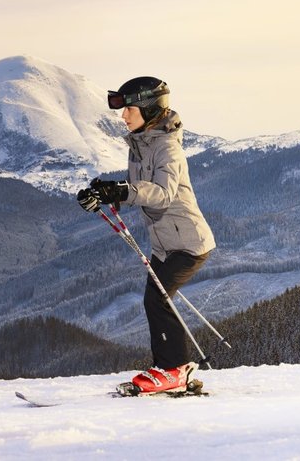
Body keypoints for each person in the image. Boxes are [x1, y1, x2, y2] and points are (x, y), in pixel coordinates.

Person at [77, 76, 216, 394]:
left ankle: (173, 370)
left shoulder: (167, 148)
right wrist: (103, 193)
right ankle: (173, 368)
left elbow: (162, 193)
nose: (123, 116)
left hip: (188, 244)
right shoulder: (142, 145)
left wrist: (122, 190)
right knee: (158, 300)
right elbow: (136, 190)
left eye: (130, 109)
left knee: (157, 299)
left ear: (150, 109)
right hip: (166, 244)